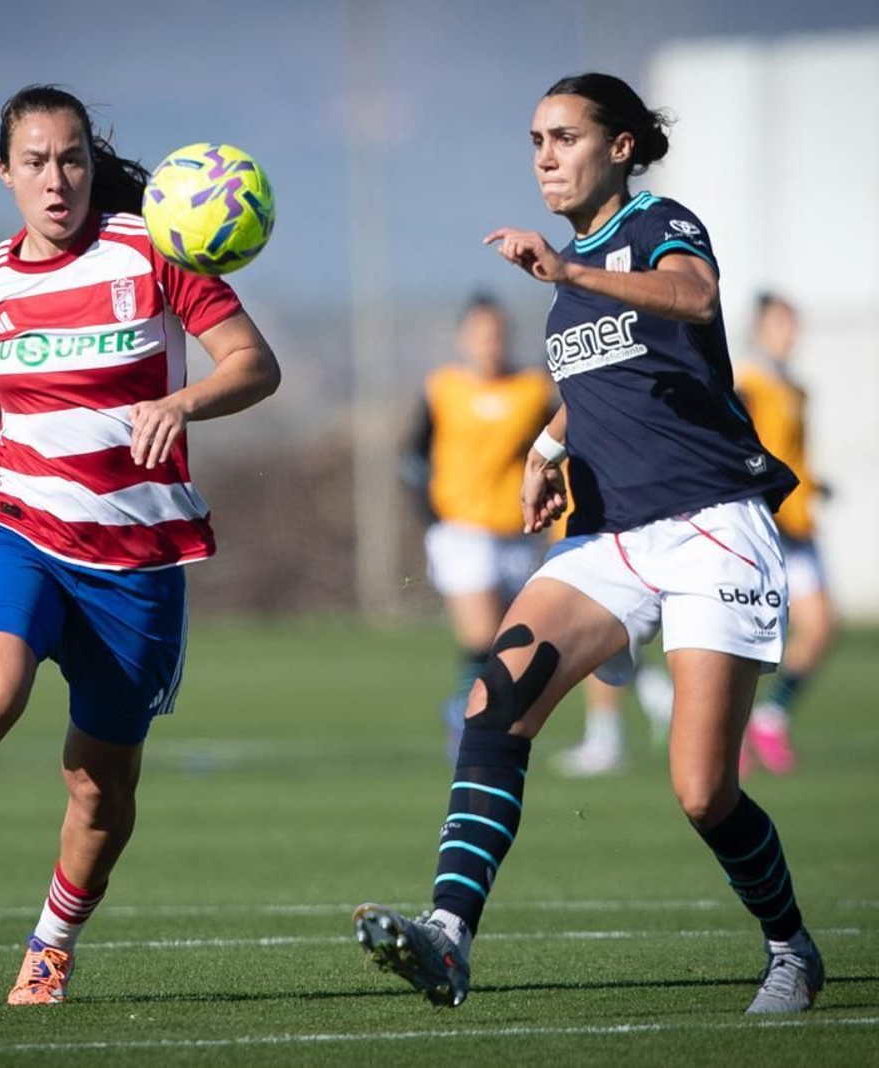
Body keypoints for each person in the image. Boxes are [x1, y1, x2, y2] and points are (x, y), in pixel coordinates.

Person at [353, 72, 824, 1015]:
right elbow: (604, 378)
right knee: (495, 705)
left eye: (564, 137)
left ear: (621, 146)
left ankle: (791, 949)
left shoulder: (657, 226)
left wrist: (569, 275)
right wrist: (547, 447)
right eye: (535, 141)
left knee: (702, 791)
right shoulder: (569, 276)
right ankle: (448, 935)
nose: (545, 157)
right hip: (611, 538)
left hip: (711, 528)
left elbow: (693, 298)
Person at [0, 84, 280, 1006]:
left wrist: (182, 402)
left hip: (139, 557)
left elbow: (254, 365)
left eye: (73, 159)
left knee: (97, 784)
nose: (57, 179)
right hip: (17, 525)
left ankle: (51, 943)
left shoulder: (154, 252)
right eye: (36, 161)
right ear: (5, 172)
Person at [401, 294, 555, 759]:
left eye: (498, 333)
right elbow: (411, 459)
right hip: (461, 532)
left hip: (519, 532)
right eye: (482, 333)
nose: (491, 342)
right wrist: (433, 521)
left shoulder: (533, 390)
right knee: (482, 636)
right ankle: (470, 723)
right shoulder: (443, 388)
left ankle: (470, 710)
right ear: (464, 338)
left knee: (512, 644)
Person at [733, 293, 836, 775]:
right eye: (781, 324)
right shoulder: (746, 385)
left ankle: (770, 717)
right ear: (759, 329)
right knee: (748, 638)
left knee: (821, 625)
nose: (791, 334)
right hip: (764, 527)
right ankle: (731, 734)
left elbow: (793, 455)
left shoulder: (794, 388)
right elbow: (743, 451)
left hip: (797, 525)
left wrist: (814, 486)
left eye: (794, 324)